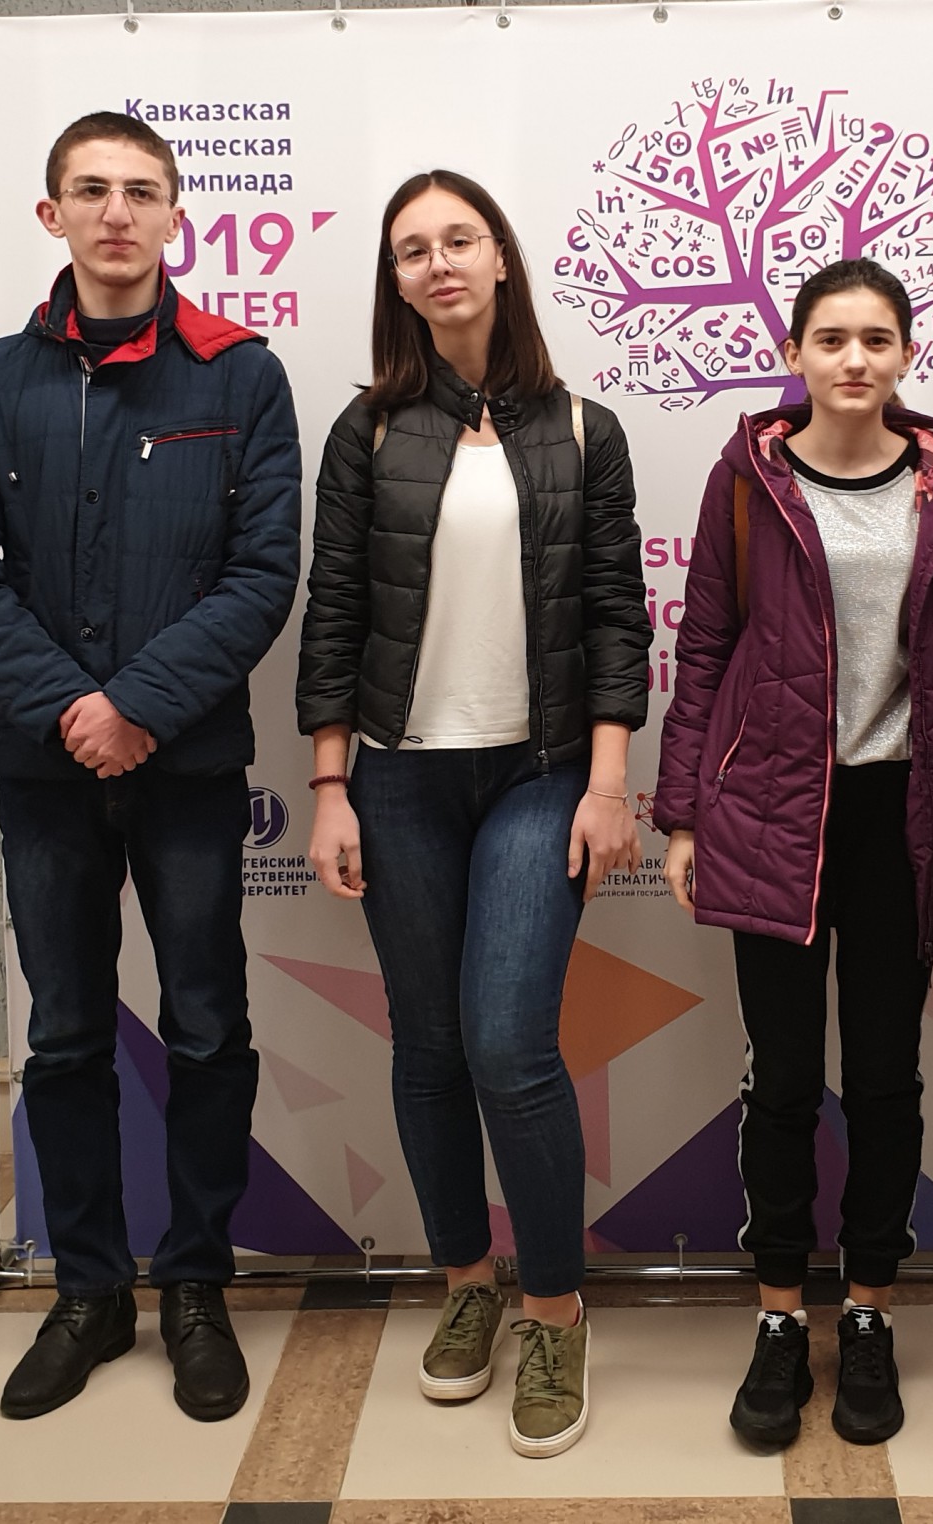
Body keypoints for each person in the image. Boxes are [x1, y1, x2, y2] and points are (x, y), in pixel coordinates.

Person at [0, 112, 302, 1421]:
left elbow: (263, 575)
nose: (118, 212)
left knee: (206, 1027)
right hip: (43, 773)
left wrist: (134, 705)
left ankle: (195, 1284)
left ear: (178, 214)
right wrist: (72, 712)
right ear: (52, 216)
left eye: (142, 191)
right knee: (67, 1035)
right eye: (91, 190)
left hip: (186, 766)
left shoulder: (241, 377)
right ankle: (87, 1292)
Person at [297, 169, 649, 1459]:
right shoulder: (368, 431)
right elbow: (335, 610)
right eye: (413, 249)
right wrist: (328, 787)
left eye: (460, 239)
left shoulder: (584, 429)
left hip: (539, 777)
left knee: (509, 1044)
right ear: (395, 282)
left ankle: (554, 1311)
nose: (438, 262)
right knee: (431, 1049)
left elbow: (616, 614)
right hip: (397, 777)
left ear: (501, 258)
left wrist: (607, 782)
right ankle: (466, 1285)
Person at [655, 259, 933, 1450]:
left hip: (903, 813)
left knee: (886, 1080)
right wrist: (684, 816)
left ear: (907, 354)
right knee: (782, 1082)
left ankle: (867, 1311)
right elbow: (705, 649)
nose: (853, 359)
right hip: (770, 812)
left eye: (875, 339)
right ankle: (776, 1315)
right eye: (830, 338)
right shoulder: (747, 481)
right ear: (794, 355)